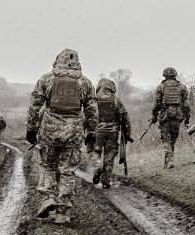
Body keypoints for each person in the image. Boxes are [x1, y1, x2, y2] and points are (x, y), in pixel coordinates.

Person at [26, 49, 97, 225]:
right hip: (73, 132)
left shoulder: (46, 79)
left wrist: (31, 129)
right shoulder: (86, 83)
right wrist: (92, 132)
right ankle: (62, 211)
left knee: (48, 165)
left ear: (57, 61)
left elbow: (35, 106)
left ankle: (49, 197)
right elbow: (92, 111)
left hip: (49, 131)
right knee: (67, 170)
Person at [90, 77, 132, 188]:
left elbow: (88, 116)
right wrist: (127, 133)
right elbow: (124, 117)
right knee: (110, 155)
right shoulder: (115, 100)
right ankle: (105, 180)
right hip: (113, 133)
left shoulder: (94, 100)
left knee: (96, 151)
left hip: (97, 132)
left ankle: (97, 167)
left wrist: (88, 130)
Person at [150, 67, 190, 169]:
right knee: (173, 139)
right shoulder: (182, 87)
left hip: (165, 117)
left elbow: (156, 105)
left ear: (165, 76)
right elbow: (186, 105)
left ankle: (169, 160)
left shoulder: (161, 87)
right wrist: (187, 118)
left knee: (166, 139)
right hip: (177, 117)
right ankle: (169, 160)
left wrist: (154, 117)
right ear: (175, 75)